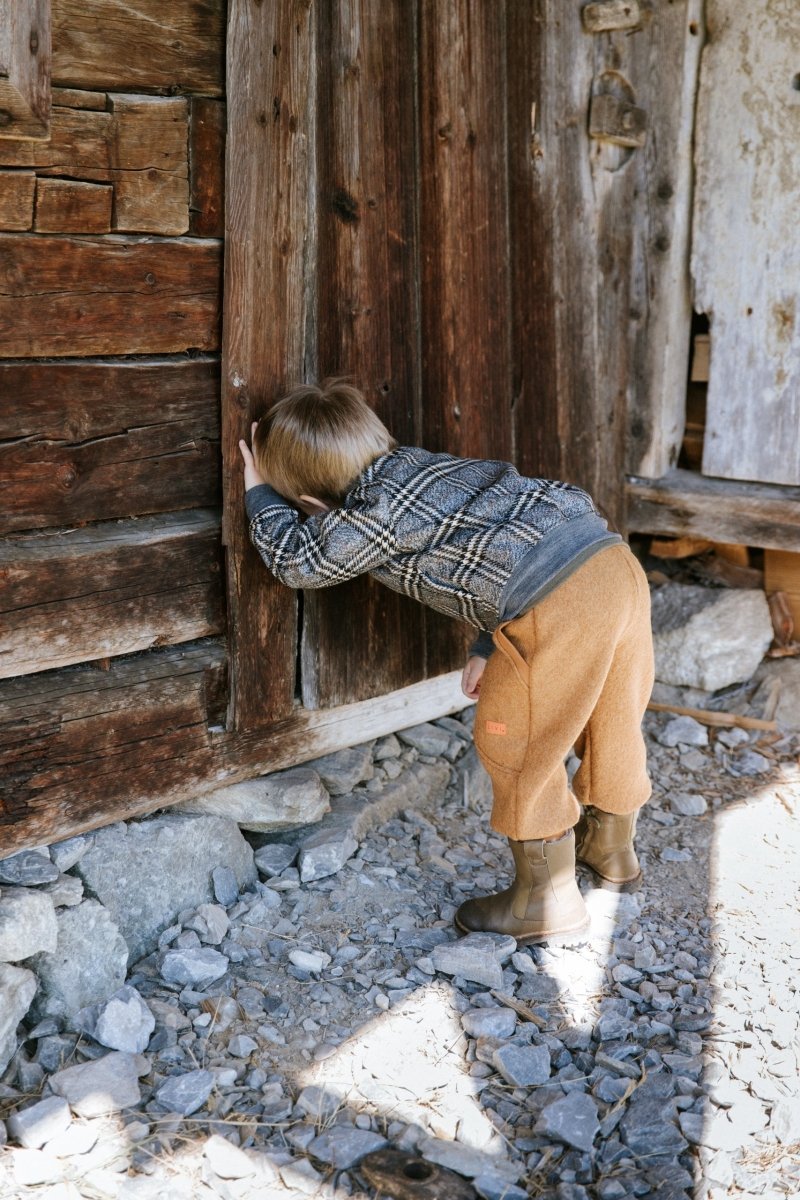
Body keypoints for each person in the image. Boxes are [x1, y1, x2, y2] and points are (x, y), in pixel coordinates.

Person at [239, 379, 654, 945]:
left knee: (518, 740)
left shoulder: (374, 513)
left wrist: (260, 494)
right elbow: (502, 546)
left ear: (312, 504)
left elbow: (299, 562)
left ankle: (546, 900)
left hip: (560, 604)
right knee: (612, 717)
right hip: (612, 565)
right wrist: (488, 644)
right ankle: (611, 848)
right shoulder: (419, 467)